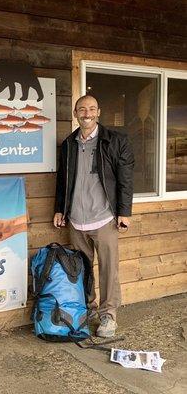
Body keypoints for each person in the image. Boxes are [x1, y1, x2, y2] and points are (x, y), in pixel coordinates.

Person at [53, 95, 134, 338]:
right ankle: (88, 311)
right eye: (81, 109)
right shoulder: (69, 144)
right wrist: (60, 208)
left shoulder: (115, 141)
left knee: (109, 270)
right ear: (76, 113)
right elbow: (63, 181)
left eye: (91, 109)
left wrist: (124, 212)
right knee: (83, 270)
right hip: (77, 220)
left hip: (105, 218)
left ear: (98, 112)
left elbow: (125, 179)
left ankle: (109, 316)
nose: (86, 113)